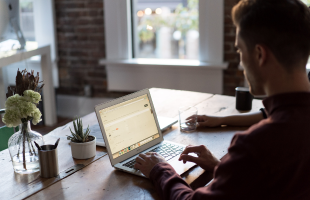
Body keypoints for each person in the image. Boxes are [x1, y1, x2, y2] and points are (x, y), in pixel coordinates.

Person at [134, 0, 310, 199]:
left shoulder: (257, 145)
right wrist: (224, 168)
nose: (241, 64)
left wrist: (160, 169)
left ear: (260, 55)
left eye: (240, 51)